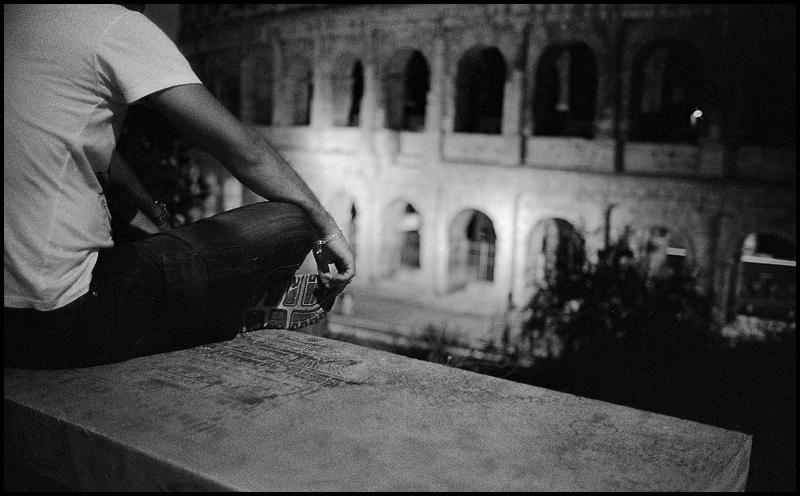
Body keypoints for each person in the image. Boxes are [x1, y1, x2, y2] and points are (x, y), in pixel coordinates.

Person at [4, 4, 356, 369]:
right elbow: (244, 150)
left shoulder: (19, 17)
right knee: (290, 220)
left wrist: (145, 203)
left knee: (135, 221)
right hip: (60, 319)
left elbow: (83, 146)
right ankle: (228, 307)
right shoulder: (115, 26)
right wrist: (326, 228)